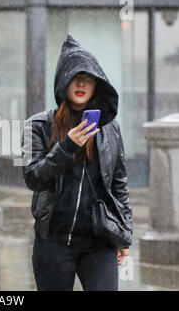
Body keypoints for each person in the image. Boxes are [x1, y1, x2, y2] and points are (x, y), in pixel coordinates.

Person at [22, 35, 132, 291]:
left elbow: (119, 186)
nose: (81, 83)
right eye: (75, 76)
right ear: (63, 80)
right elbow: (33, 177)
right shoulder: (38, 125)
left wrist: (123, 237)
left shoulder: (110, 129)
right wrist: (66, 147)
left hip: (98, 243)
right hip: (53, 243)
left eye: (89, 78)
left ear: (97, 85)